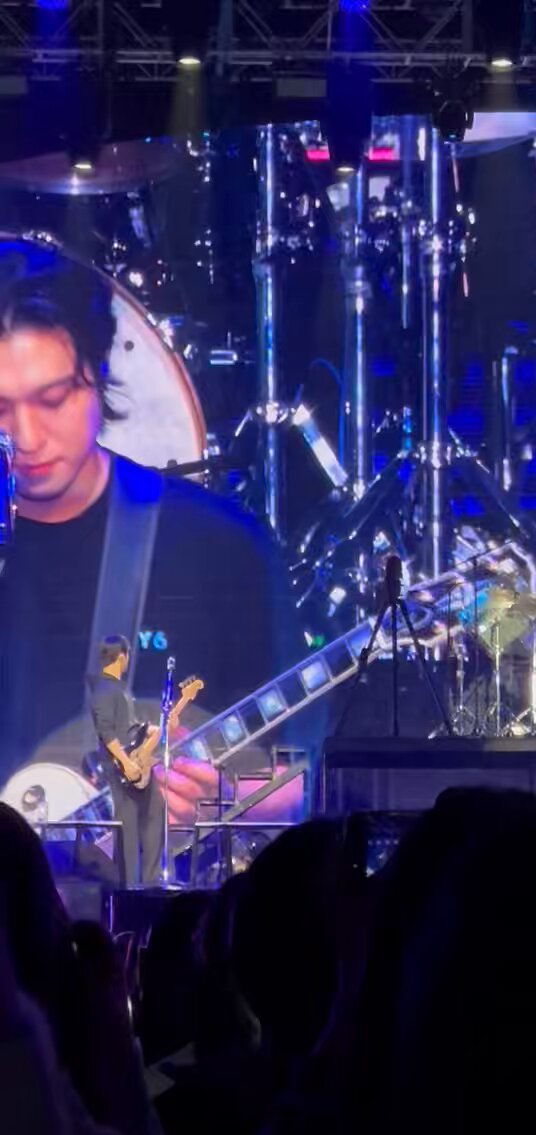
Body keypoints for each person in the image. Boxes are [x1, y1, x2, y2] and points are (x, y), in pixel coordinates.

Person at [0, 239, 308, 833]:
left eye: (53, 399)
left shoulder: (220, 547)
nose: (27, 437)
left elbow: (304, 780)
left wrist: (219, 797)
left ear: (100, 373)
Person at [88, 635, 163, 885]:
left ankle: (151, 881)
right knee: (127, 825)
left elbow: (126, 729)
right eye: (127, 656)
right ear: (122, 657)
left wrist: (146, 730)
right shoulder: (103, 690)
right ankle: (129, 886)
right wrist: (126, 762)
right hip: (120, 768)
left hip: (134, 763)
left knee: (154, 811)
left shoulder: (119, 688)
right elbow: (106, 732)